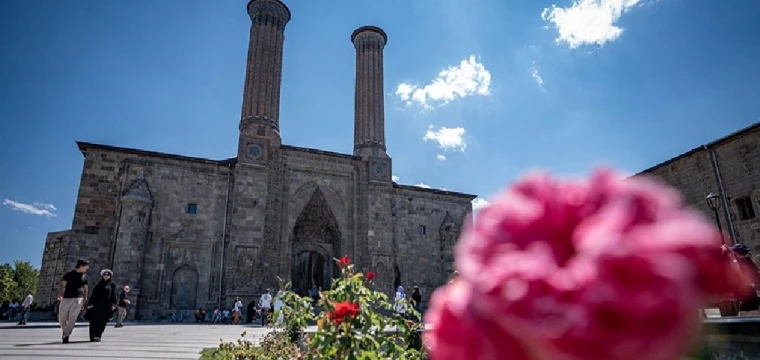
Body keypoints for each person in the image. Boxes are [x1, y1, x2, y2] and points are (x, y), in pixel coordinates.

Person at [57, 259, 90, 344]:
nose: (88, 268)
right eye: (86, 266)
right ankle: (65, 331)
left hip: (78, 299)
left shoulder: (85, 277)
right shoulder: (69, 275)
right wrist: (60, 294)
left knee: (73, 318)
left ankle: (66, 335)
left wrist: (85, 300)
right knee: (61, 317)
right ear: (81, 266)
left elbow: (86, 289)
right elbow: (62, 284)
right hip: (66, 298)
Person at [728, 244, 760, 315]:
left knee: (749, 316)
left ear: (738, 254)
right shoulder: (746, 262)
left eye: (733, 253)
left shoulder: (744, 264)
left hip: (748, 295)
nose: (732, 254)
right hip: (747, 295)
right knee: (746, 315)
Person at [86, 269, 117, 342]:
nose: (106, 276)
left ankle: (98, 335)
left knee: (102, 322)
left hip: (106, 306)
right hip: (96, 306)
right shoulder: (99, 285)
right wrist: (90, 304)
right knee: (94, 321)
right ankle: (92, 336)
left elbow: (114, 295)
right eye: (105, 275)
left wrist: (114, 304)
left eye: (108, 275)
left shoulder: (112, 285)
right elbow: (93, 295)